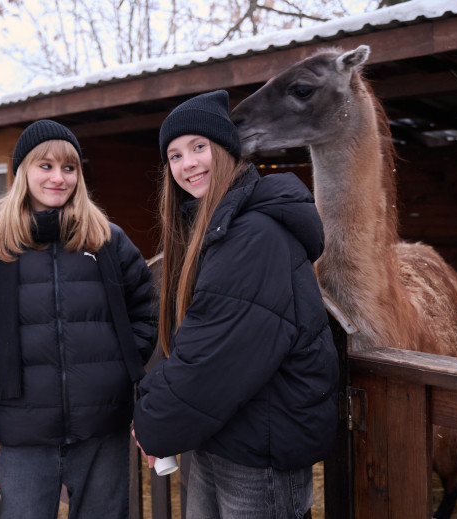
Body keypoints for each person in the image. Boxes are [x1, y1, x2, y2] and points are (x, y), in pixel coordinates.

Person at [132, 90, 339, 518]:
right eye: (174, 155)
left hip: (260, 453)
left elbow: (214, 354)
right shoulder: (217, 230)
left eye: (198, 147)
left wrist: (154, 420)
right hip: (224, 434)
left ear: (226, 150)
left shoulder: (255, 236)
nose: (187, 164)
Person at [0, 120, 156, 519]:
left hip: (103, 432)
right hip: (23, 438)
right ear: (22, 172)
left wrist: (114, 365)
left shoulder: (107, 241)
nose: (58, 178)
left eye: (69, 168)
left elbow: (146, 312)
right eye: (45, 166)